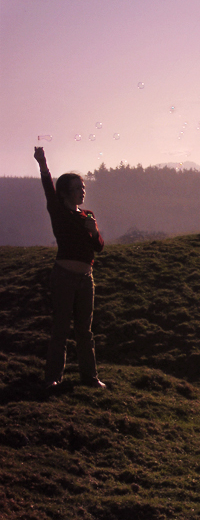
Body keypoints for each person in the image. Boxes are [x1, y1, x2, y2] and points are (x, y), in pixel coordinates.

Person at [33, 146, 107, 389]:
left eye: (83, 187)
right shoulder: (58, 211)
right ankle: (53, 377)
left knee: (85, 331)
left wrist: (94, 231)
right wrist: (43, 164)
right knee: (61, 329)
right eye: (77, 188)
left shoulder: (88, 215)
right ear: (64, 193)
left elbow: (98, 249)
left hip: (86, 278)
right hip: (64, 276)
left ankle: (90, 377)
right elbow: (48, 189)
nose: (82, 191)